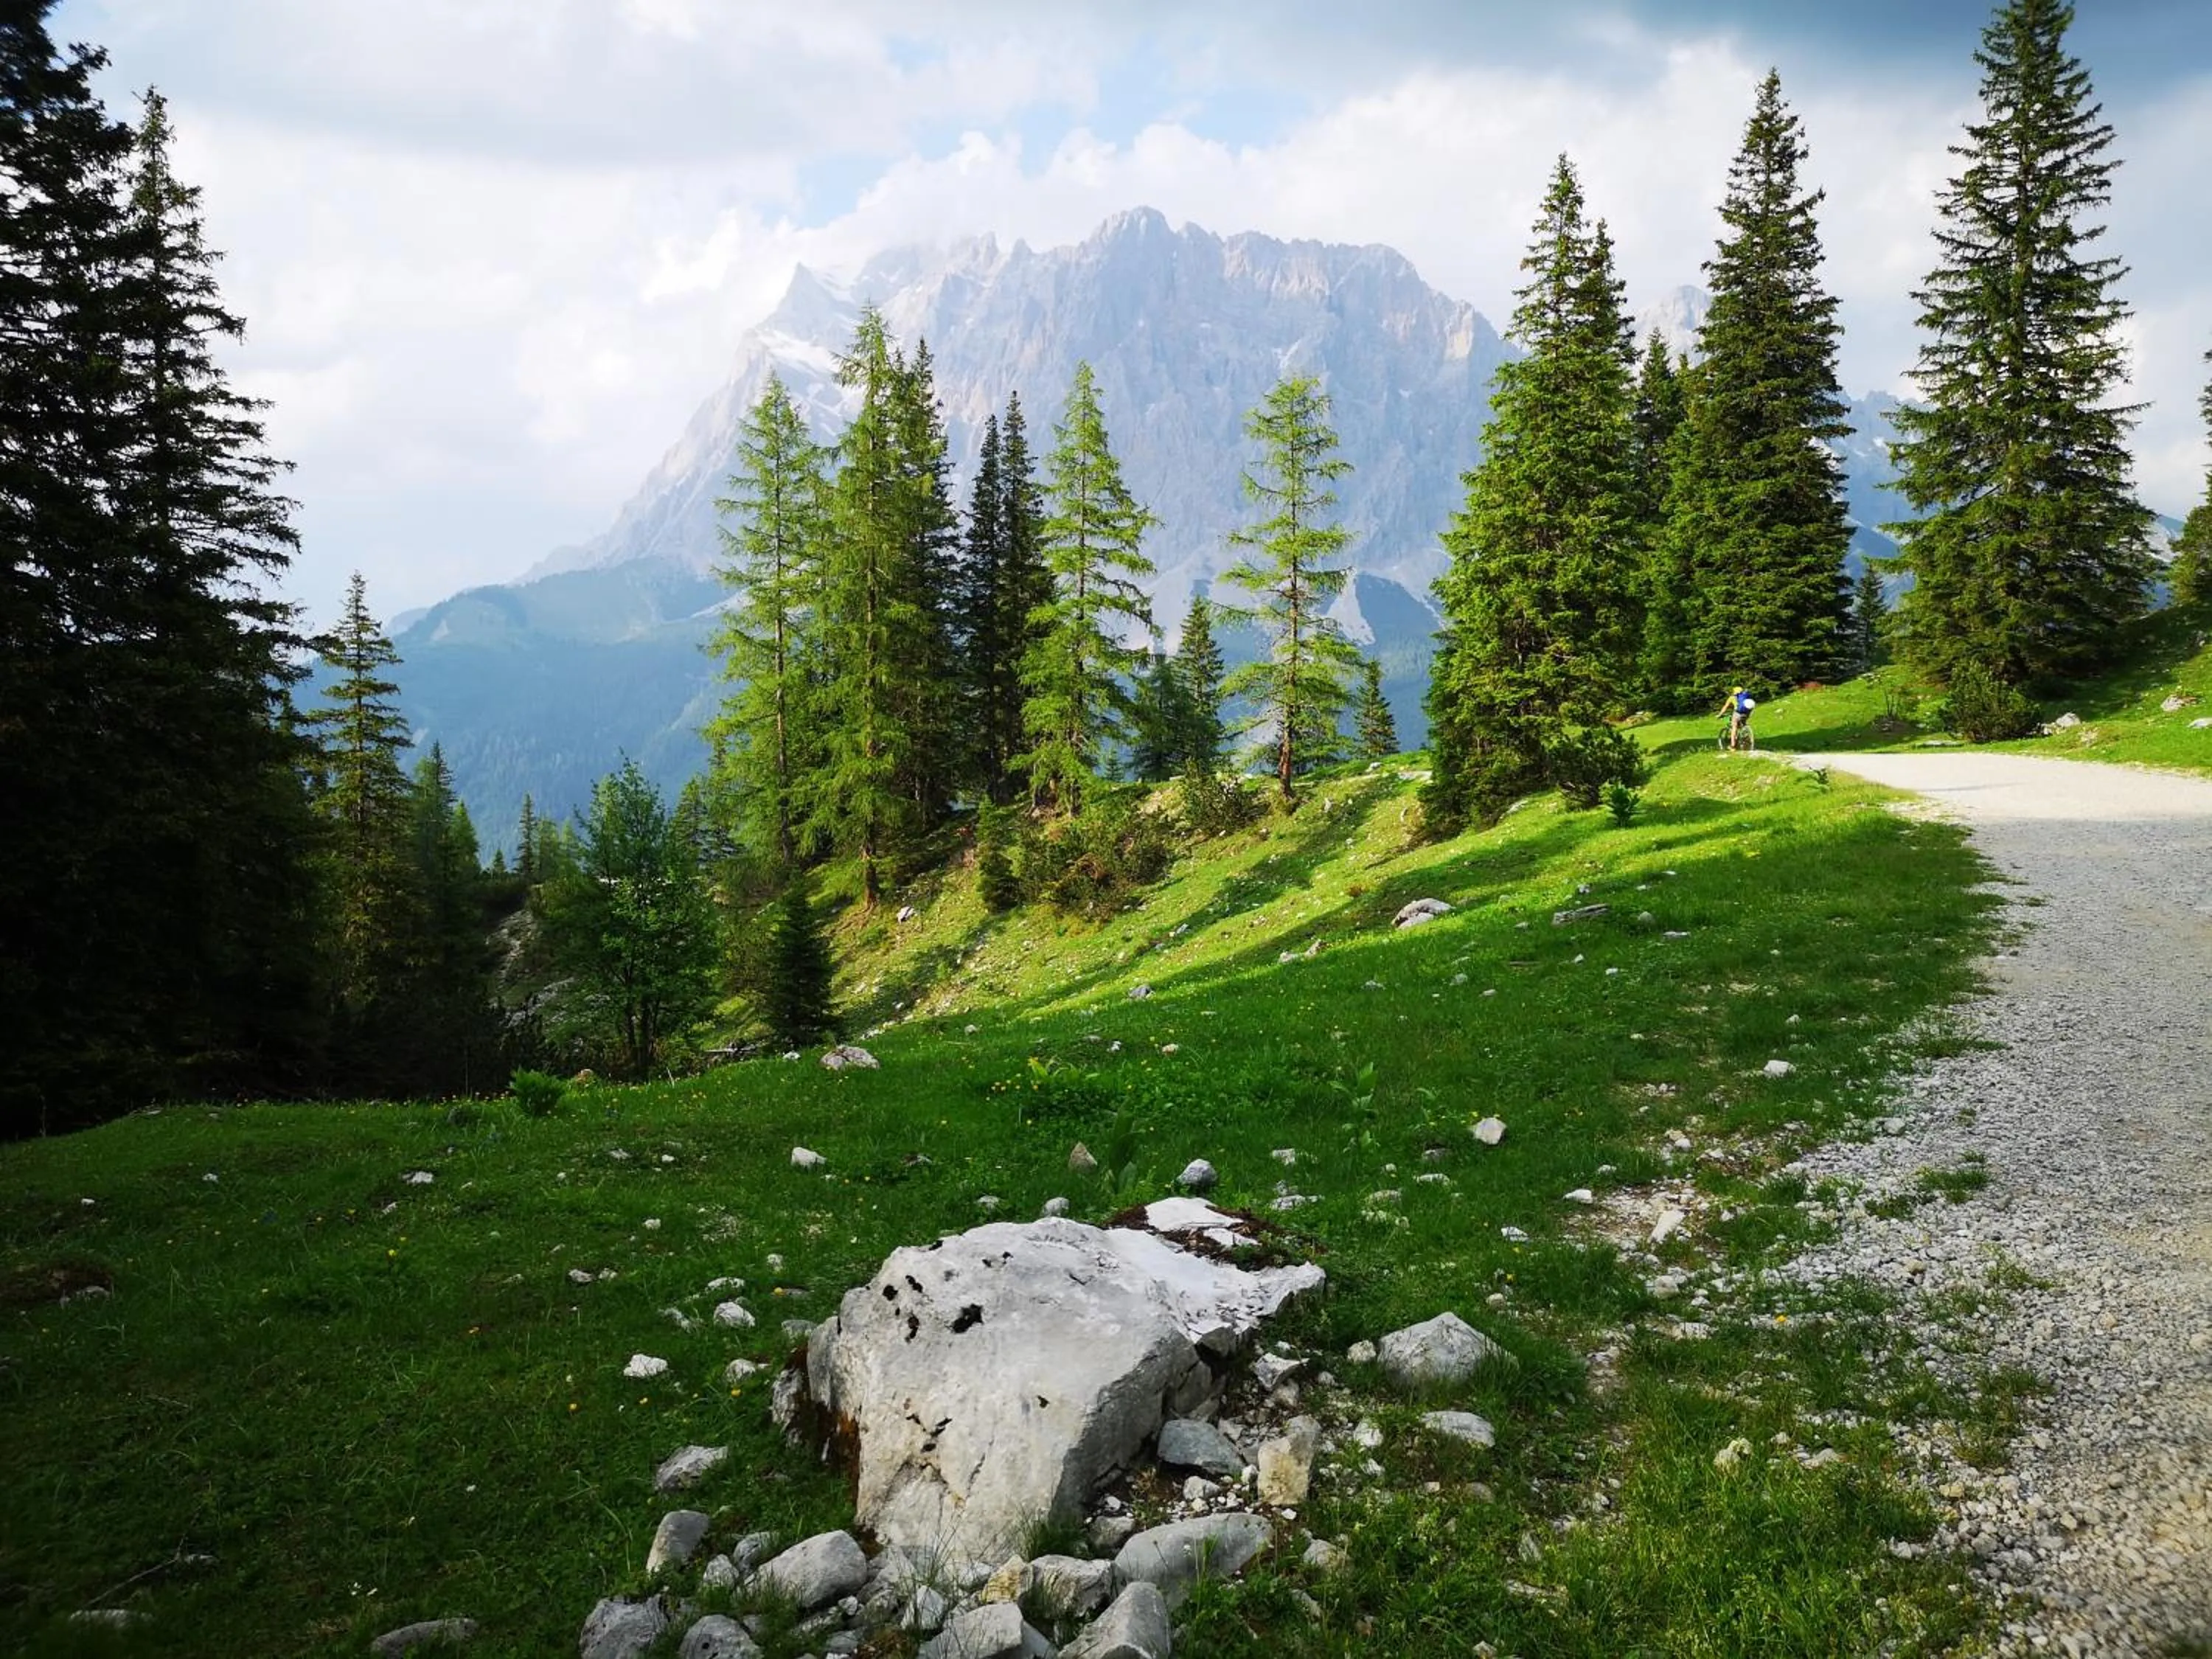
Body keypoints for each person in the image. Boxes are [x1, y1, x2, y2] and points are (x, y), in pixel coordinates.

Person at [1721, 685, 1757, 752]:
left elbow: (1726, 707)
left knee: (1734, 728)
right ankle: (1746, 738)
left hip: (1737, 713)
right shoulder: (1746, 697)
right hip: (1746, 714)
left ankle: (1733, 746)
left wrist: (1720, 714)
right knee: (1743, 725)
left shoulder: (1732, 698)